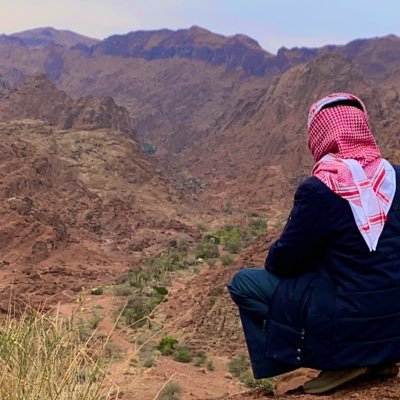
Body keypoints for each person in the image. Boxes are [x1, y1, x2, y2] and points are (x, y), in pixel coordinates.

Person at [228, 93, 400, 394]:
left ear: (319, 136)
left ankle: (334, 361)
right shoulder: (396, 177)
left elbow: (282, 262)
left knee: (243, 283)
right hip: (394, 323)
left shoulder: (321, 189)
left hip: (347, 319)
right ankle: (379, 357)